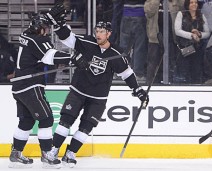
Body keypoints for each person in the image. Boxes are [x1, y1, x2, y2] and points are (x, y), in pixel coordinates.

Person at [45, 4, 149, 167]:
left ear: (109, 33)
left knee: (86, 128)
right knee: (66, 121)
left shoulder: (116, 54)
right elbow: (67, 38)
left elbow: (127, 73)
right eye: (97, 31)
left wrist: (138, 90)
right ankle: (53, 151)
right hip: (78, 91)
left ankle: (70, 153)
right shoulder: (86, 42)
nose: (98, 34)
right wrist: (59, 25)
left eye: (102, 32)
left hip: (98, 98)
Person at [9, 13, 72, 168]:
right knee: (46, 119)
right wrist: (73, 58)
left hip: (19, 86)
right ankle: (46, 155)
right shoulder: (37, 40)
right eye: (44, 28)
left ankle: (16, 154)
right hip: (30, 86)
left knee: (26, 121)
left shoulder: (26, 35)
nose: (46, 31)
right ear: (38, 28)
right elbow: (51, 56)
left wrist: (49, 15)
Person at [174, 0, 210, 84]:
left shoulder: (201, 15)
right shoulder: (181, 14)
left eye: (196, 2)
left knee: (196, 71)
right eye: (192, 2)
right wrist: (191, 35)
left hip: (197, 48)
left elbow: (208, 33)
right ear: (187, 4)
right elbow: (177, 31)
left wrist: (199, 34)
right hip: (184, 47)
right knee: (184, 70)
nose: (194, 4)